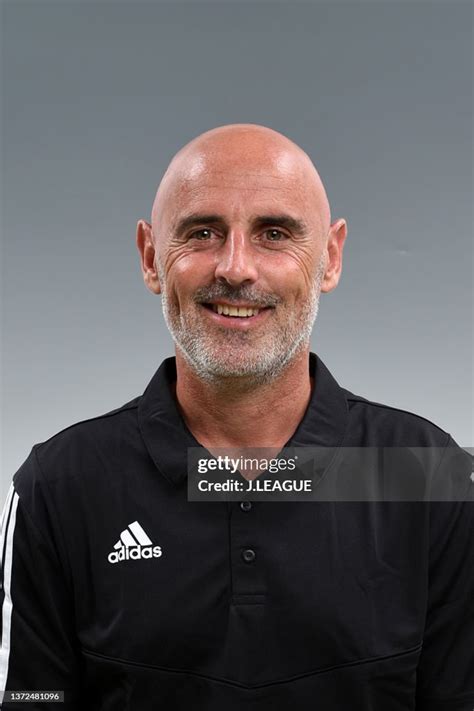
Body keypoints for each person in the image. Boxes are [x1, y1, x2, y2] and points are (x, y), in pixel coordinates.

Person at [0, 124, 472, 711]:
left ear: (330, 256)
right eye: (202, 232)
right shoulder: (59, 488)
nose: (236, 268)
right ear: (151, 258)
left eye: (274, 234)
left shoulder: (430, 476)